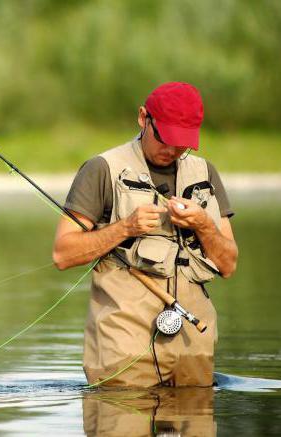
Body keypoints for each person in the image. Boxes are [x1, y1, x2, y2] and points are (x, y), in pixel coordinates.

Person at [52, 82, 238, 387]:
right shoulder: (101, 169)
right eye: (164, 138)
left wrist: (204, 223)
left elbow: (229, 265)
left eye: (182, 143)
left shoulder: (206, 173)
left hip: (194, 345)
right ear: (143, 118)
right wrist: (126, 227)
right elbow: (62, 254)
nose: (172, 150)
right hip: (122, 348)